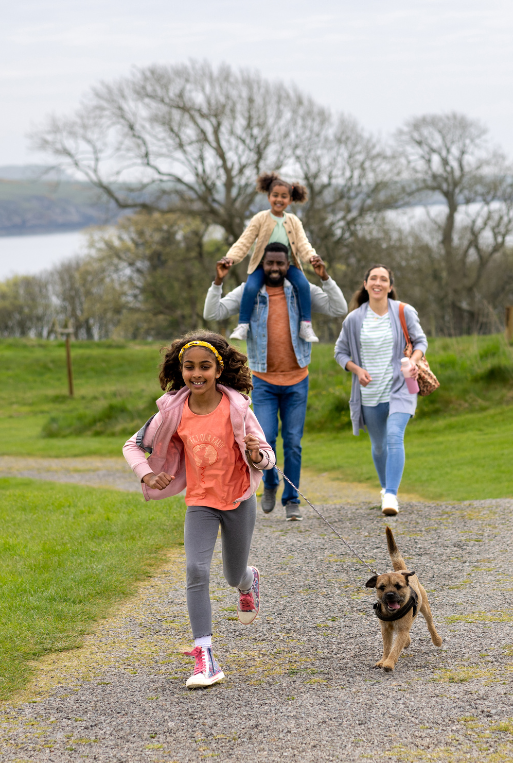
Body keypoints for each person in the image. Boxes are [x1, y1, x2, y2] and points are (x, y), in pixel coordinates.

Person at [122, 332, 275, 689]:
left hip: (238, 500)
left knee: (231, 574)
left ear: (218, 370)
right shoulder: (172, 410)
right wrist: (147, 474)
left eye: (204, 367)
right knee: (195, 568)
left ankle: (248, 581)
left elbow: (267, 455)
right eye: (188, 367)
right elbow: (132, 445)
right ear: (181, 370)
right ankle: (204, 656)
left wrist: (256, 455)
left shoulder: (238, 407)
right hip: (201, 502)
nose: (196, 374)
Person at [204, 242, 348, 520]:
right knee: (266, 438)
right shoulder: (250, 293)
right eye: (269, 263)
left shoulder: (300, 291)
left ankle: (291, 498)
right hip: (264, 382)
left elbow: (338, 307)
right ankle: (270, 484)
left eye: (280, 264)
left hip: (297, 380)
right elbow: (212, 313)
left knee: (293, 442)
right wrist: (218, 281)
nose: (274, 268)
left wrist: (325, 277)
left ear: (288, 265)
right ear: (261, 264)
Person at [334, 265, 427, 517]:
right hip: (370, 394)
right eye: (373, 278)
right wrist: (356, 369)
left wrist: (415, 361)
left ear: (390, 286)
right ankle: (385, 488)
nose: (378, 282)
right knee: (378, 446)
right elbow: (339, 352)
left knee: (395, 435)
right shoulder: (353, 319)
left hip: (401, 387)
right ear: (365, 284)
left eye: (383, 279)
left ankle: (391, 495)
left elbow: (420, 341)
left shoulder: (403, 311)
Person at [219, 173, 322, 343]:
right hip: (262, 265)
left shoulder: (294, 221)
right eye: (275, 195)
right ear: (268, 197)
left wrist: (311, 257)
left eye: (284, 196)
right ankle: (243, 325)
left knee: (303, 285)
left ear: (290, 200)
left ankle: (306, 324)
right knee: (251, 287)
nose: (279, 199)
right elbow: (245, 241)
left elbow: (303, 243)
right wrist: (231, 258)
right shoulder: (260, 218)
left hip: (287, 265)